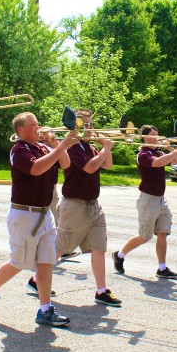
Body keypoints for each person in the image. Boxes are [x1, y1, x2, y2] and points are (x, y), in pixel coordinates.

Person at [0, 112, 78, 326]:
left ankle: (45, 310)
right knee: (19, 262)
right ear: (20, 130)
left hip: (44, 214)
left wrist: (56, 142)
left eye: (38, 124)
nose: (38, 128)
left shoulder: (43, 147)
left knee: (46, 261)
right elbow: (36, 169)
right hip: (24, 214)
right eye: (33, 125)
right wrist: (60, 147)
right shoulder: (19, 149)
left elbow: (66, 163)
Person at [54, 110, 121, 306]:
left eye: (92, 124)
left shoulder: (89, 147)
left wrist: (104, 148)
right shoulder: (73, 147)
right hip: (74, 204)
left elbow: (107, 165)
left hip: (93, 205)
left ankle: (101, 290)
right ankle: (36, 279)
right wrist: (104, 149)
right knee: (62, 248)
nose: (92, 128)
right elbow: (90, 168)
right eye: (87, 125)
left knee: (99, 247)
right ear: (78, 127)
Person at [111, 125, 177, 280]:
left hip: (161, 199)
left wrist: (172, 148)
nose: (157, 136)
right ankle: (119, 255)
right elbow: (157, 163)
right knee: (144, 236)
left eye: (157, 133)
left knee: (163, 233)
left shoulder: (158, 151)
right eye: (153, 134)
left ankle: (162, 268)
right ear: (144, 137)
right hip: (148, 199)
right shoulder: (143, 154)